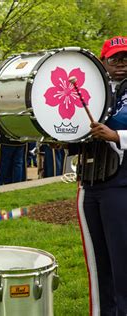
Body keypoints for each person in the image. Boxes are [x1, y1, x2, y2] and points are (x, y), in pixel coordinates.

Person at [76, 36, 127, 315]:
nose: (121, 64)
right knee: (98, 264)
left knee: (123, 260)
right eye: (115, 58)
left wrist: (117, 135)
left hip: (122, 184)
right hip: (92, 181)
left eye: (126, 58)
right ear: (103, 61)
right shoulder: (92, 90)